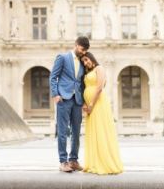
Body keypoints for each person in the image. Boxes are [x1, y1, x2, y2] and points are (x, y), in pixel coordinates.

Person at [50, 36, 90, 172]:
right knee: (62, 131)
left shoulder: (82, 62)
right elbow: (53, 76)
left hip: (77, 100)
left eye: (85, 51)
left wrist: (84, 100)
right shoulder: (62, 57)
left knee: (76, 131)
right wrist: (55, 94)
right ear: (76, 44)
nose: (83, 52)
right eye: (82, 49)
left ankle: (73, 160)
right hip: (64, 98)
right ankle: (63, 161)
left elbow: (81, 83)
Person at [81, 52, 123, 174]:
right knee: (93, 132)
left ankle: (104, 163)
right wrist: (85, 102)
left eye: (86, 59)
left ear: (92, 58)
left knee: (100, 131)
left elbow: (99, 88)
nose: (85, 62)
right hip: (90, 105)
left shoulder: (99, 68)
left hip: (98, 104)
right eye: (83, 61)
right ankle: (94, 162)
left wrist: (91, 105)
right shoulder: (88, 72)